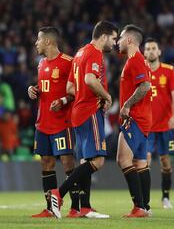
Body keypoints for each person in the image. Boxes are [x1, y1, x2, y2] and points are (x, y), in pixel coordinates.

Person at [47, 21, 118, 219]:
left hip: (77, 113)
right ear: (103, 36)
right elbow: (89, 80)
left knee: (87, 159)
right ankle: (59, 194)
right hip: (89, 111)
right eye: (113, 38)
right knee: (98, 160)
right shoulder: (95, 53)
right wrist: (106, 96)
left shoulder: (79, 53)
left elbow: (70, 87)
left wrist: (82, 96)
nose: (114, 43)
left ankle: (83, 207)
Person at [27, 27, 79, 218]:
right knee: (46, 163)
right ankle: (50, 208)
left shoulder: (68, 62)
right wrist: (34, 90)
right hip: (43, 123)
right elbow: (44, 88)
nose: (36, 43)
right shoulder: (41, 64)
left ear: (48, 41)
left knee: (67, 163)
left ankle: (76, 207)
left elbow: (77, 91)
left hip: (61, 122)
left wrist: (64, 101)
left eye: (38, 40)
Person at [117, 24, 152, 218]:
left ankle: (139, 206)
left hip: (135, 118)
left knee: (122, 159)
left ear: (129, 40)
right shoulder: (138, 60)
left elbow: (145, 86)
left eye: (120, 38)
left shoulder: (136, 60)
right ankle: (144, 207)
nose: (118, 42)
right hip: (143, 118)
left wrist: (127, 105)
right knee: (140, 163)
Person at [143, 38, 174, 209]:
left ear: (159, 52)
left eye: (153, 48)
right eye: (148, 49)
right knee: (146, 160)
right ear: (144, 52)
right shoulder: (141, 71)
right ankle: (145, 200)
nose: (151, 51)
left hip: (165, 125)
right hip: (147, 126)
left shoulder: (169, 71)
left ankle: (165, 197)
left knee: (165, 161)